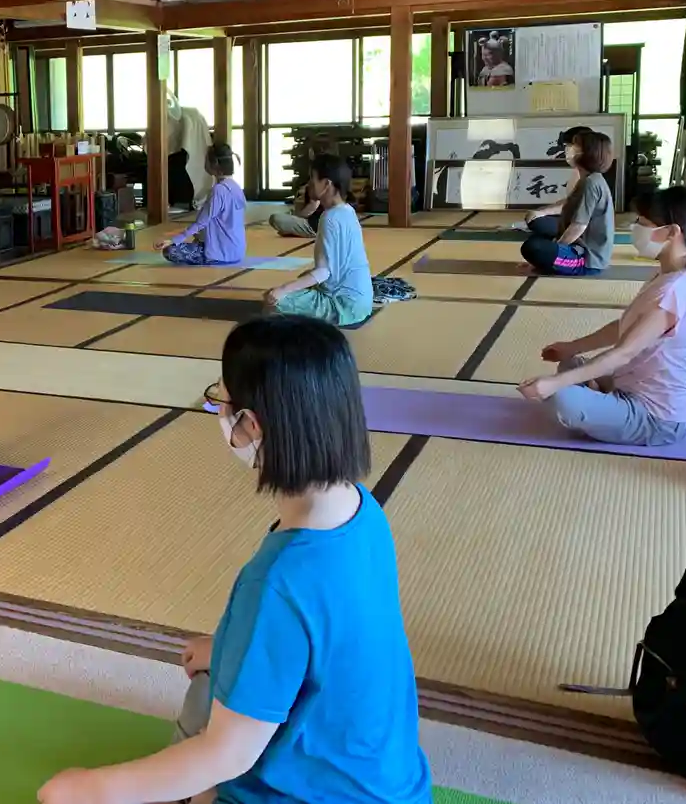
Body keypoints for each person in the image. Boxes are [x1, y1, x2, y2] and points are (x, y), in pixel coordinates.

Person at [38, 316, 431, 804]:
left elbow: (226, 755)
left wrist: (90, 789)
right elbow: (326, 642)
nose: (218, 412)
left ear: (250, 425)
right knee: (209, 688)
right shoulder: (361, 511)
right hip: (394, 788)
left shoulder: (277, 582)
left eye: (220, 400)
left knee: (189, 742)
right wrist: (226, 649)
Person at [518, 186, 686, 447]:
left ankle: (600, 404)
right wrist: (571, 347)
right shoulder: (667, 275)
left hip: (656, 419)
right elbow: (623, 327)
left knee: (561, 398)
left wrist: (553, 384)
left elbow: (624, 352)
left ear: (671, 232)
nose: (636, 228)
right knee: (571, 364)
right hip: (628, 384)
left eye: (643, 222)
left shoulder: (676, 290)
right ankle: (601, 400)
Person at [263, 155, 373, 327]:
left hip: (342, 306)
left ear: (326, 184)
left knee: (275, 302)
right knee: (302, 281)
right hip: (363, 303)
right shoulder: (348, 210)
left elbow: (323, 272)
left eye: (312, 178)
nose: (309, 184)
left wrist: (283, 289)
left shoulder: (329, 218)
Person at [518, 129, 614, 276]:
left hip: (587, 259)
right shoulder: (589, 179)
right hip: (580, 247)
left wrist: (556, 250)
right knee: (537, 241)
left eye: (576, 147)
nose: (570, 150)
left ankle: (558, 262)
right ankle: (553, 260)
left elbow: (578, 226)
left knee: (534, 247)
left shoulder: (590, 183)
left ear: (588, 153)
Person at [157, 143, 246, 265]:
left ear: (214, 164)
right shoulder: (236, 187)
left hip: (219, 254)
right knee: (198, 239)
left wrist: (174, 240)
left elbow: (201, 223)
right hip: (237, 252)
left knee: (170, 251)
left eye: (206, 159)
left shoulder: (219, 190)